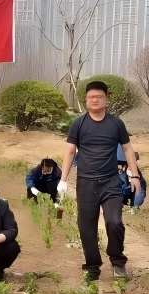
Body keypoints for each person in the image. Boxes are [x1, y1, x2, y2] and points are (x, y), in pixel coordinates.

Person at [60, 80, 141, 281]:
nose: (95, 100)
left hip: (110, 181)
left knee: (114, 221)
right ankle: (92, 267)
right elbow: (70, 151)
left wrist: (135, 175)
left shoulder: (116, 124)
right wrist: (63, 180)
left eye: (99, 97)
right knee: (86, 226)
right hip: (86, 183)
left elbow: (128, 149)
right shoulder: (78, 124)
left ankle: (118, 261)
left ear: (106, 99)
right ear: (86, 100)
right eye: (91, 97)